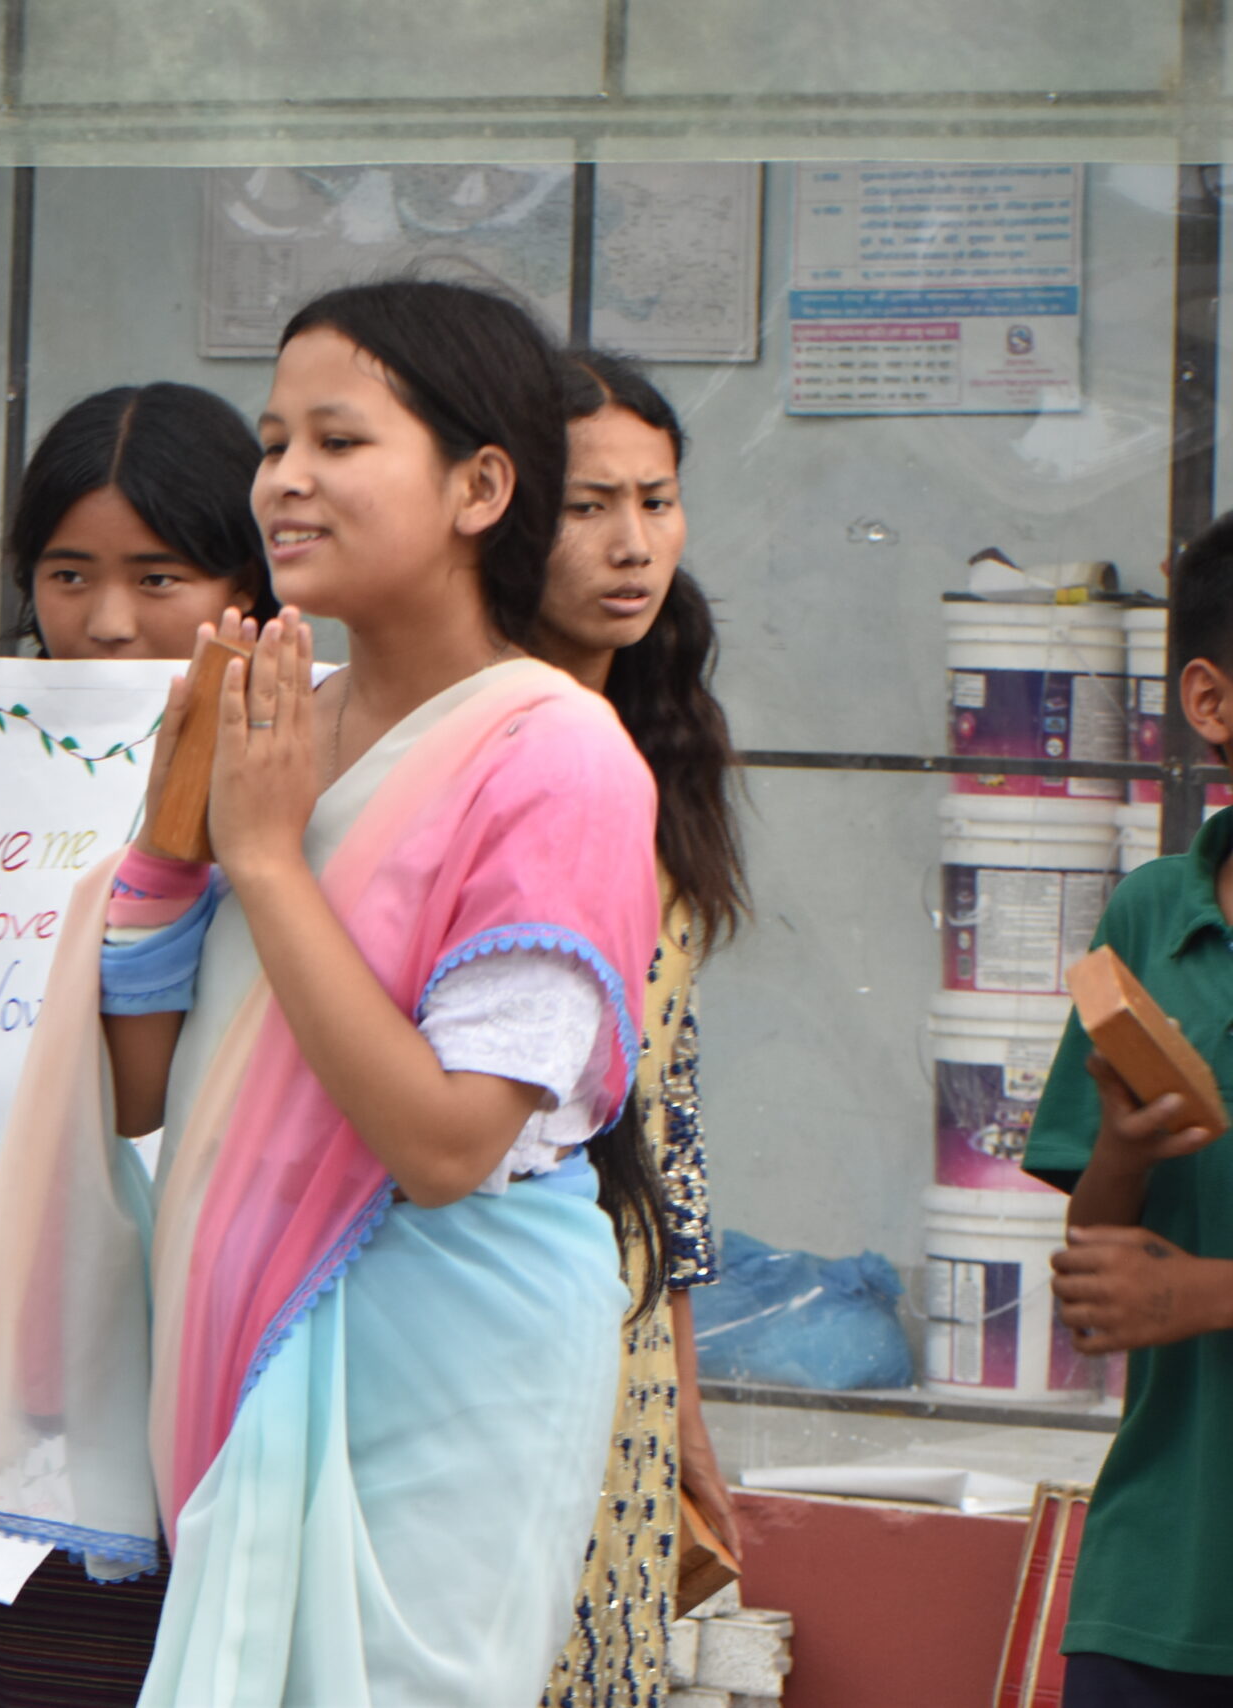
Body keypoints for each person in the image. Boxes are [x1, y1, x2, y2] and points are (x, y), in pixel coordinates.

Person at [0, 279, 666, 1706]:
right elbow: (148, 1090)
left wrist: (267, 860)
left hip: (447, 1352)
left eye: (339, 442)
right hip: (236, 1330)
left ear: (478, 486)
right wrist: (167, 849)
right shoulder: (274, 706)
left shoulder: (555, 755)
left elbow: (453, 1144)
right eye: (276, 441)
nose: (284, 479)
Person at [0, 381, 279, 1708]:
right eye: (69, 573)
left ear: (251, 578)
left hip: (219, 1391)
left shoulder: (312, 780)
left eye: (158, 574)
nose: (108, 620)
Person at [532, 351, 747, 1708]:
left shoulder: (662, 731)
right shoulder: (470, 736)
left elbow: (663, 1104)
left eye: (657, 501)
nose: (631, 544)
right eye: (587, 504)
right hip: (484, 1291)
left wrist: (684, 1393)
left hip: (621, 1322)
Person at [1024, 511, 1233, 1707]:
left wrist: (1201, 1291)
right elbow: (1099, 1285)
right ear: (1209, 703)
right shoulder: (1153, 916)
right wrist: (1119, 1149)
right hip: (1157, 1588)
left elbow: (1165, 1291)